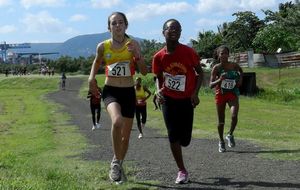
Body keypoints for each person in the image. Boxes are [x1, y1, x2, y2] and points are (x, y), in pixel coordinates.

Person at [88, 12, 147, 184]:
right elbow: (97, 62)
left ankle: (119, 163)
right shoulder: (103, 46)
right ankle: (115, 163)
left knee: (126, 137)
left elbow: (144, 71)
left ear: (126, 25)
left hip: (128, 92)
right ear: (109, 27)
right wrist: (91, 78)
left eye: (121, 22)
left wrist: (137, 54)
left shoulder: (133, 44)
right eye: (114, 23)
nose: (118, 26)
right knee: (117, 122)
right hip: (111, 90)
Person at [152, 19, 203, 184]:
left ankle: (183, 141)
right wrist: (157, 90)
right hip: (168, 99)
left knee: (185, 140)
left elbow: (200, 73)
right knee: (173, 135)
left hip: (187, 99)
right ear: (163, 32)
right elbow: (157, 77)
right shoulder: (158, 57)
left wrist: (195, 93)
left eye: (178, 29)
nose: (174, 31)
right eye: (171, 28)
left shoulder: (189, 52)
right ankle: (182, 170)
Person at [209, 45, 243, 153]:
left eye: (226, 53)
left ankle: (230, 134)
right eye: (221, 53)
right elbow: (210, 85)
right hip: (221, 95)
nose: (224, 55)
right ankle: (221, 141)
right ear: (218, 55)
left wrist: (240, 81)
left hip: (232, 93)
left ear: (229, 54)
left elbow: (241, 72)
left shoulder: (234, 65)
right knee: (221, 121)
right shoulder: (217, 68)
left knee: (234, 115)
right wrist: (219, 80)